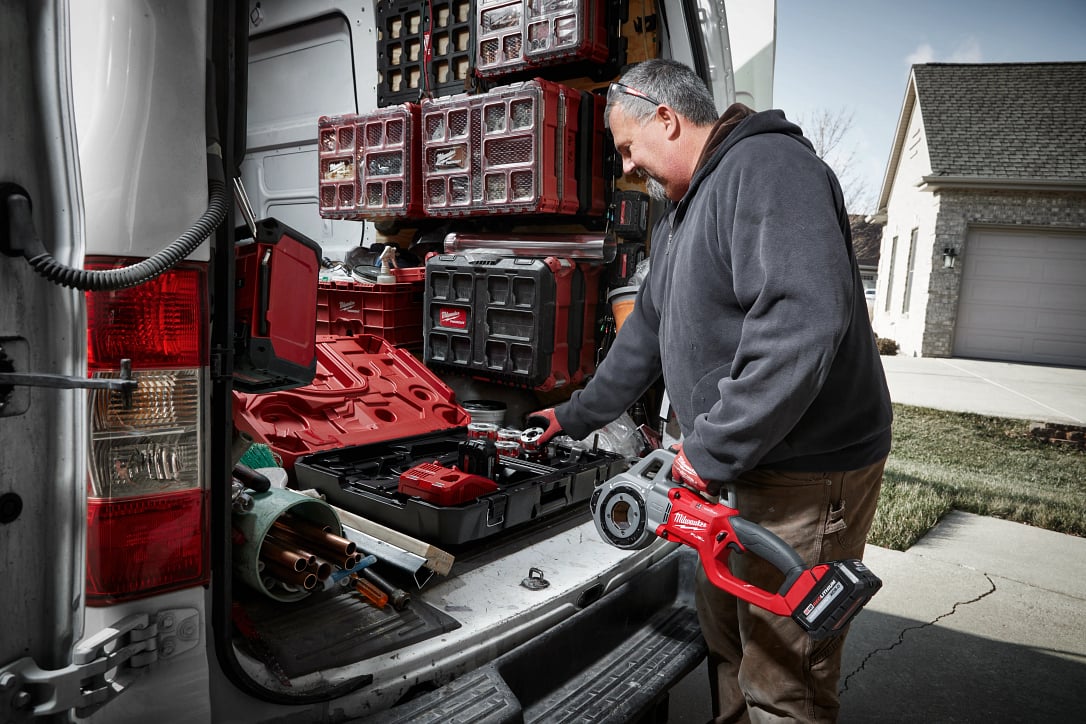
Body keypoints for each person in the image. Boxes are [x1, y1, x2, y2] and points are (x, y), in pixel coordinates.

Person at [529, 59, 893, 723]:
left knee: (783, 678)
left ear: (666, 118)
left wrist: (712, 445)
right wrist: (575, 415)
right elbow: (645, 340)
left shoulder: (772, 172)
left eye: (628, 148)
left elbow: (803, 323)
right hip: (740, 462)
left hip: (807, 472)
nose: (629, 168)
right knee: (726, 640)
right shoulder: (678, 219)